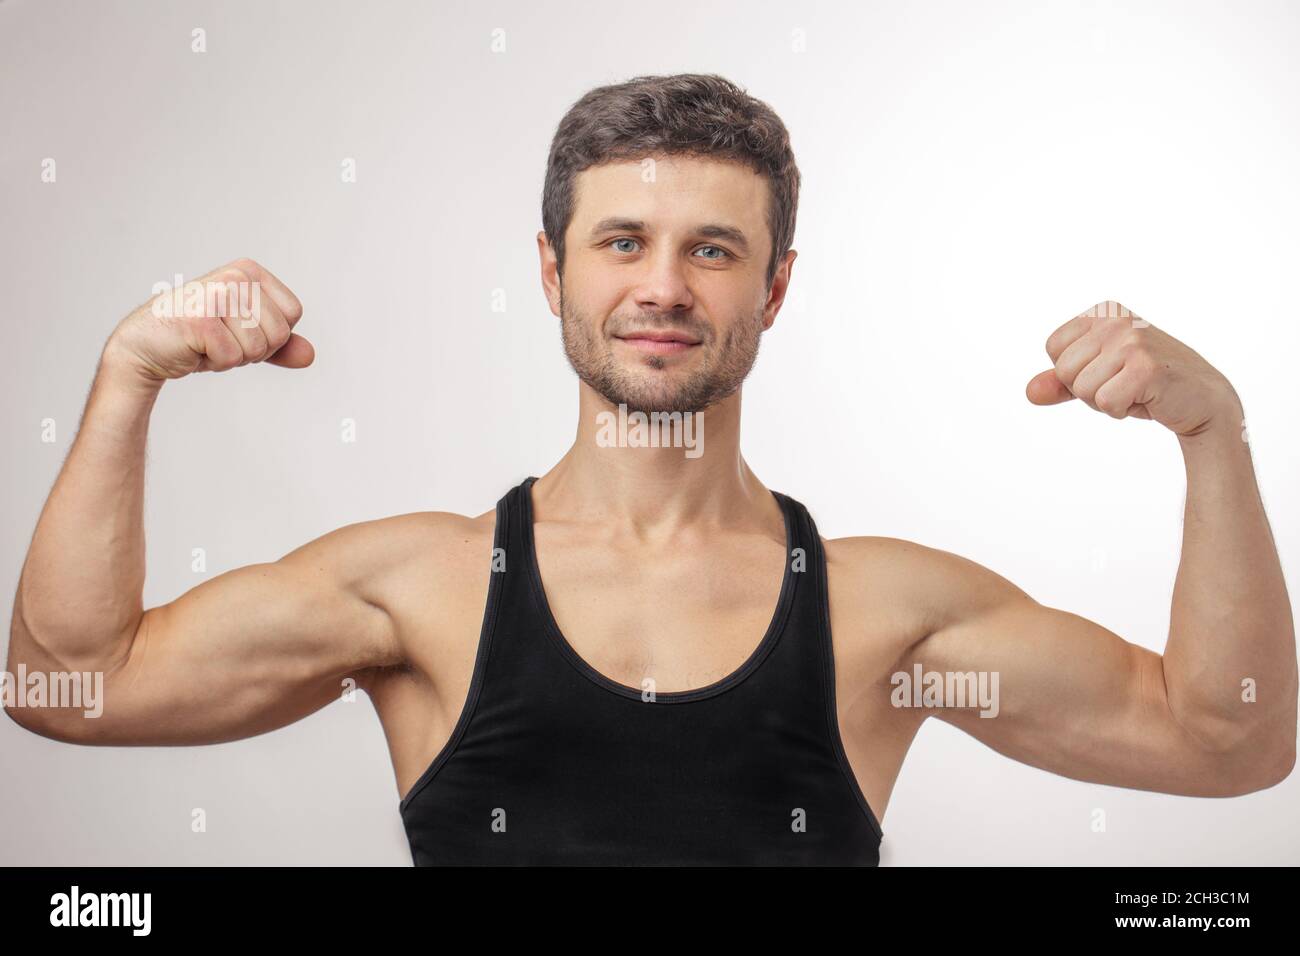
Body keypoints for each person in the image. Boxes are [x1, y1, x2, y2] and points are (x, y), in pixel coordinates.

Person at [5, 73, 1295, 866]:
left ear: (775, 288)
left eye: (713, 250)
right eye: (622, 241)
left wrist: (1217, 438)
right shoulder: (417, 590)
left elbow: (1228, 741)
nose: (665, 287)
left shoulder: (888, 616)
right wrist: (127, 377)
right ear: (553, 272)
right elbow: (69, 686)